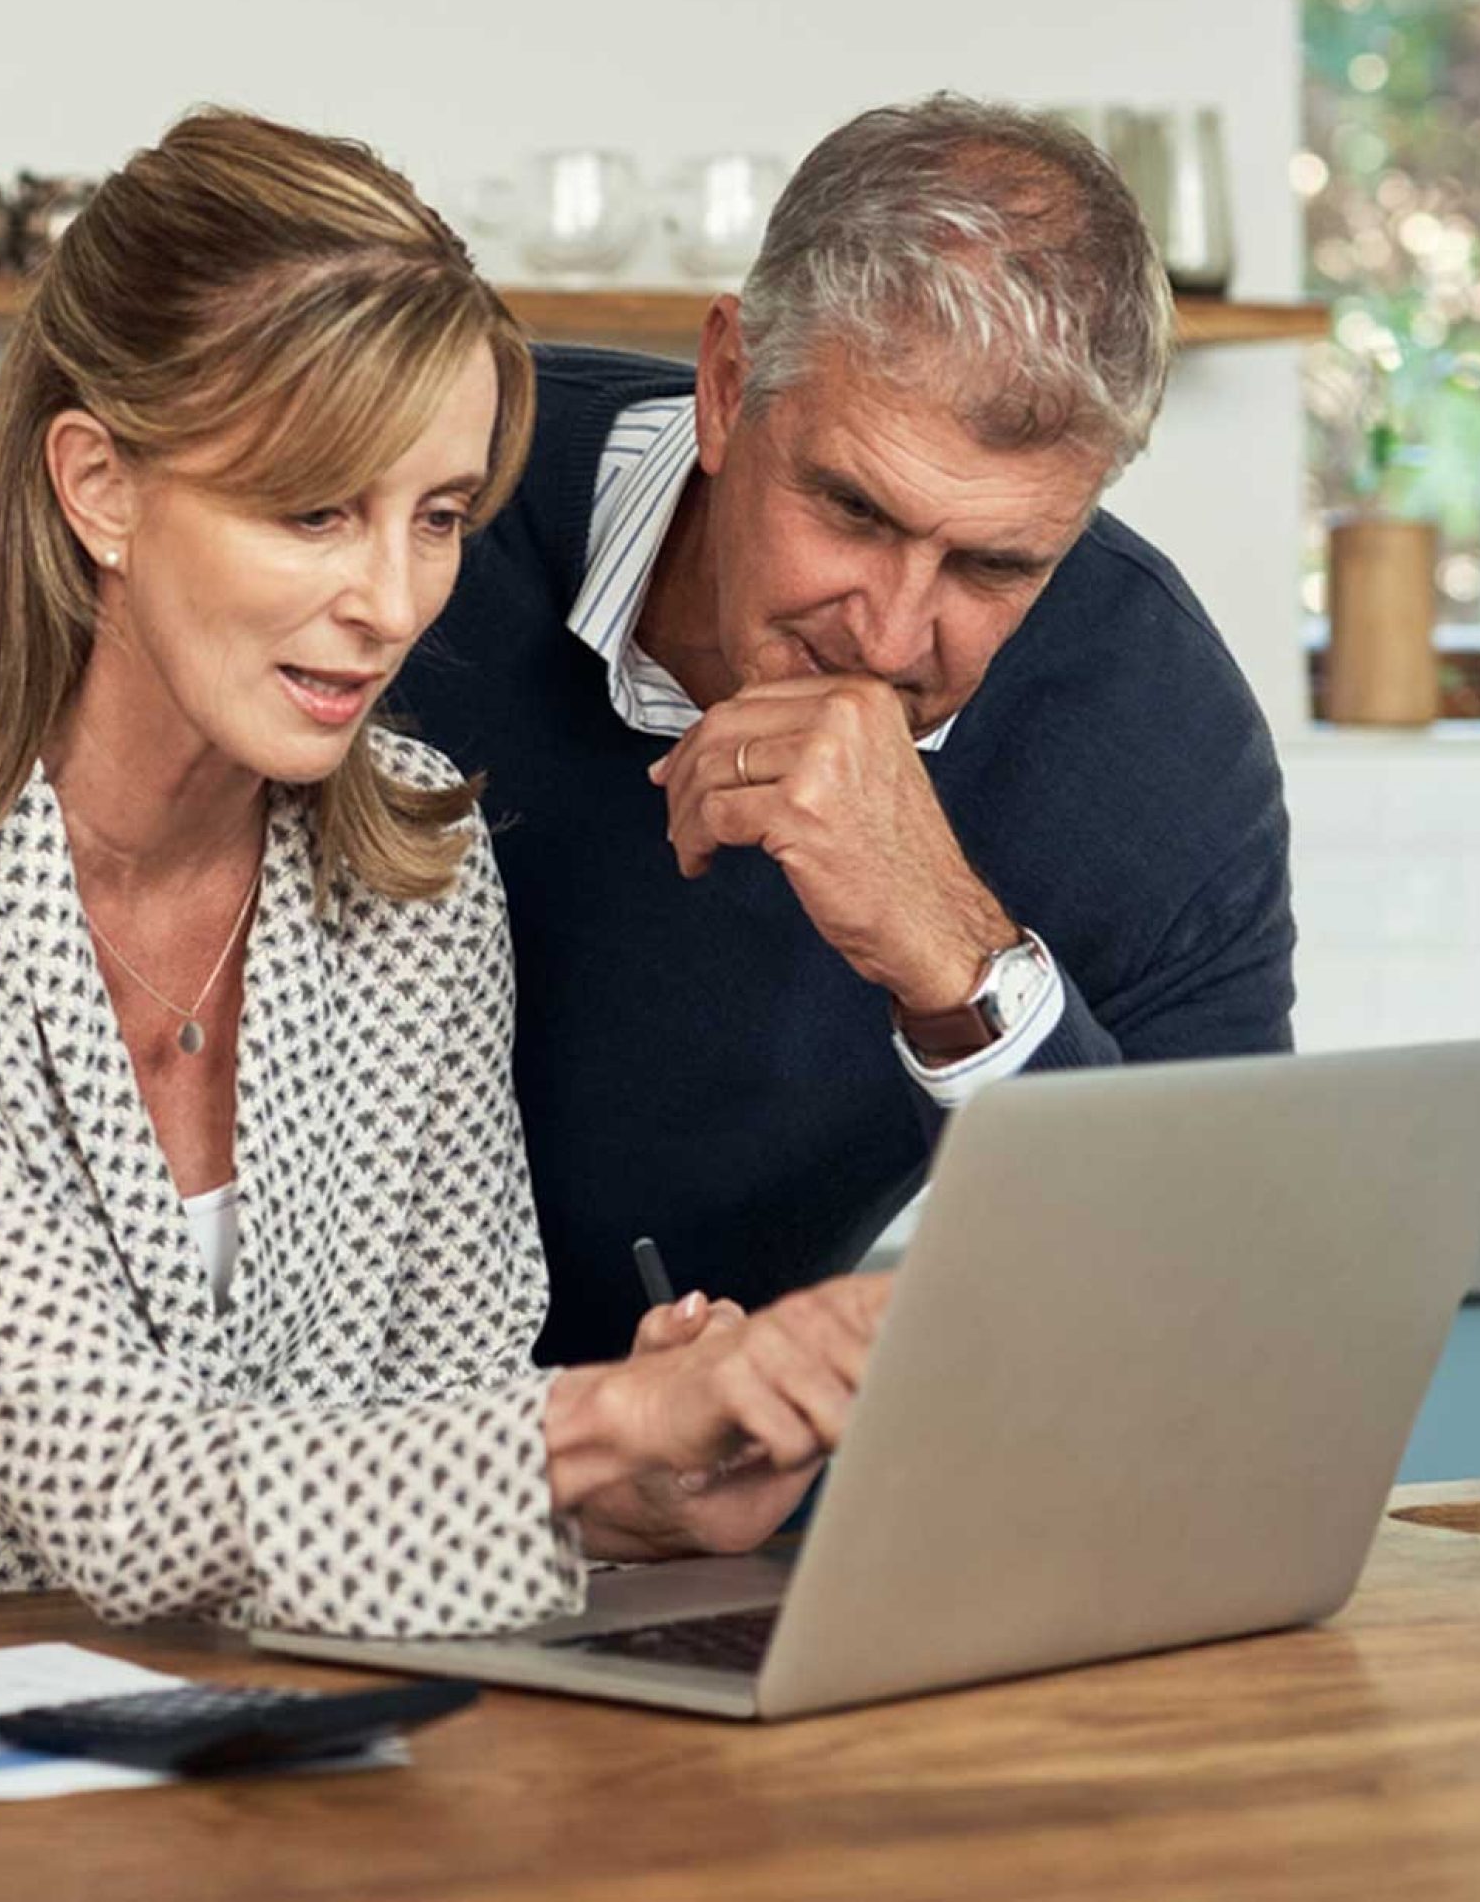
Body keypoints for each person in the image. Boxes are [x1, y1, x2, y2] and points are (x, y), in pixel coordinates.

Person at [0, 110, 891, 1640]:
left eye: (441, 517)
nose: (392, 601)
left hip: (231, 1763)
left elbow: (429, 1419)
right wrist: (608, 1427)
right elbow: (117, 1491)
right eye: (313, 509)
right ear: (100, 486)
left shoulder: (417, 878)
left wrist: (632, 1502)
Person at [390, 95, 1297, 1367]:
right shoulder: (427, 515)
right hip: (296, 1479)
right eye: (854, 512)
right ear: (725, 383)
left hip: (722, 1504)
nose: (889, 635)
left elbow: (1210, 1319)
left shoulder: (1154, 733)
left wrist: (958, 962)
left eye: (992, 566)